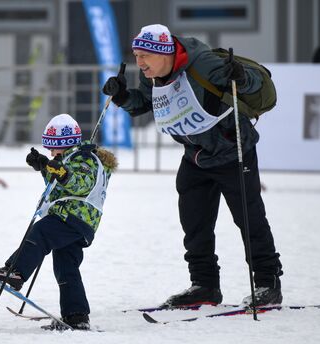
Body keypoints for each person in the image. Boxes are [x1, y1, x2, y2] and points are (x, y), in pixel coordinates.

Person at [102, 24, 283, 308]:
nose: (140, 63)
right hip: (195, 155)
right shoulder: (152, 75)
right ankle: (204, 285)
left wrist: (242, 77)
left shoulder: (205, 63)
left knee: (249, 219)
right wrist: (122, 96)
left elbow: (254, 86)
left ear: (164, 53)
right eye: (136, 55)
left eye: (145, 56)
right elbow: (144, 105)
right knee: (195, 223)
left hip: (231, 150)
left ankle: (267, 283)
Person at [0, 114, 117, 330]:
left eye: (53, 149)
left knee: (41, 232)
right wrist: (44, 167)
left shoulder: (85, 159)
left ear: (66, 145)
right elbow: (58, 184)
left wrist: (59, 171)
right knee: (66, 268)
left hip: (73, 218)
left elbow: (79, 184)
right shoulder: (69, 159)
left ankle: (16, 272)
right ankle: (77, 316)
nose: (51, 153)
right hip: (76, 221)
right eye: (48, 149)